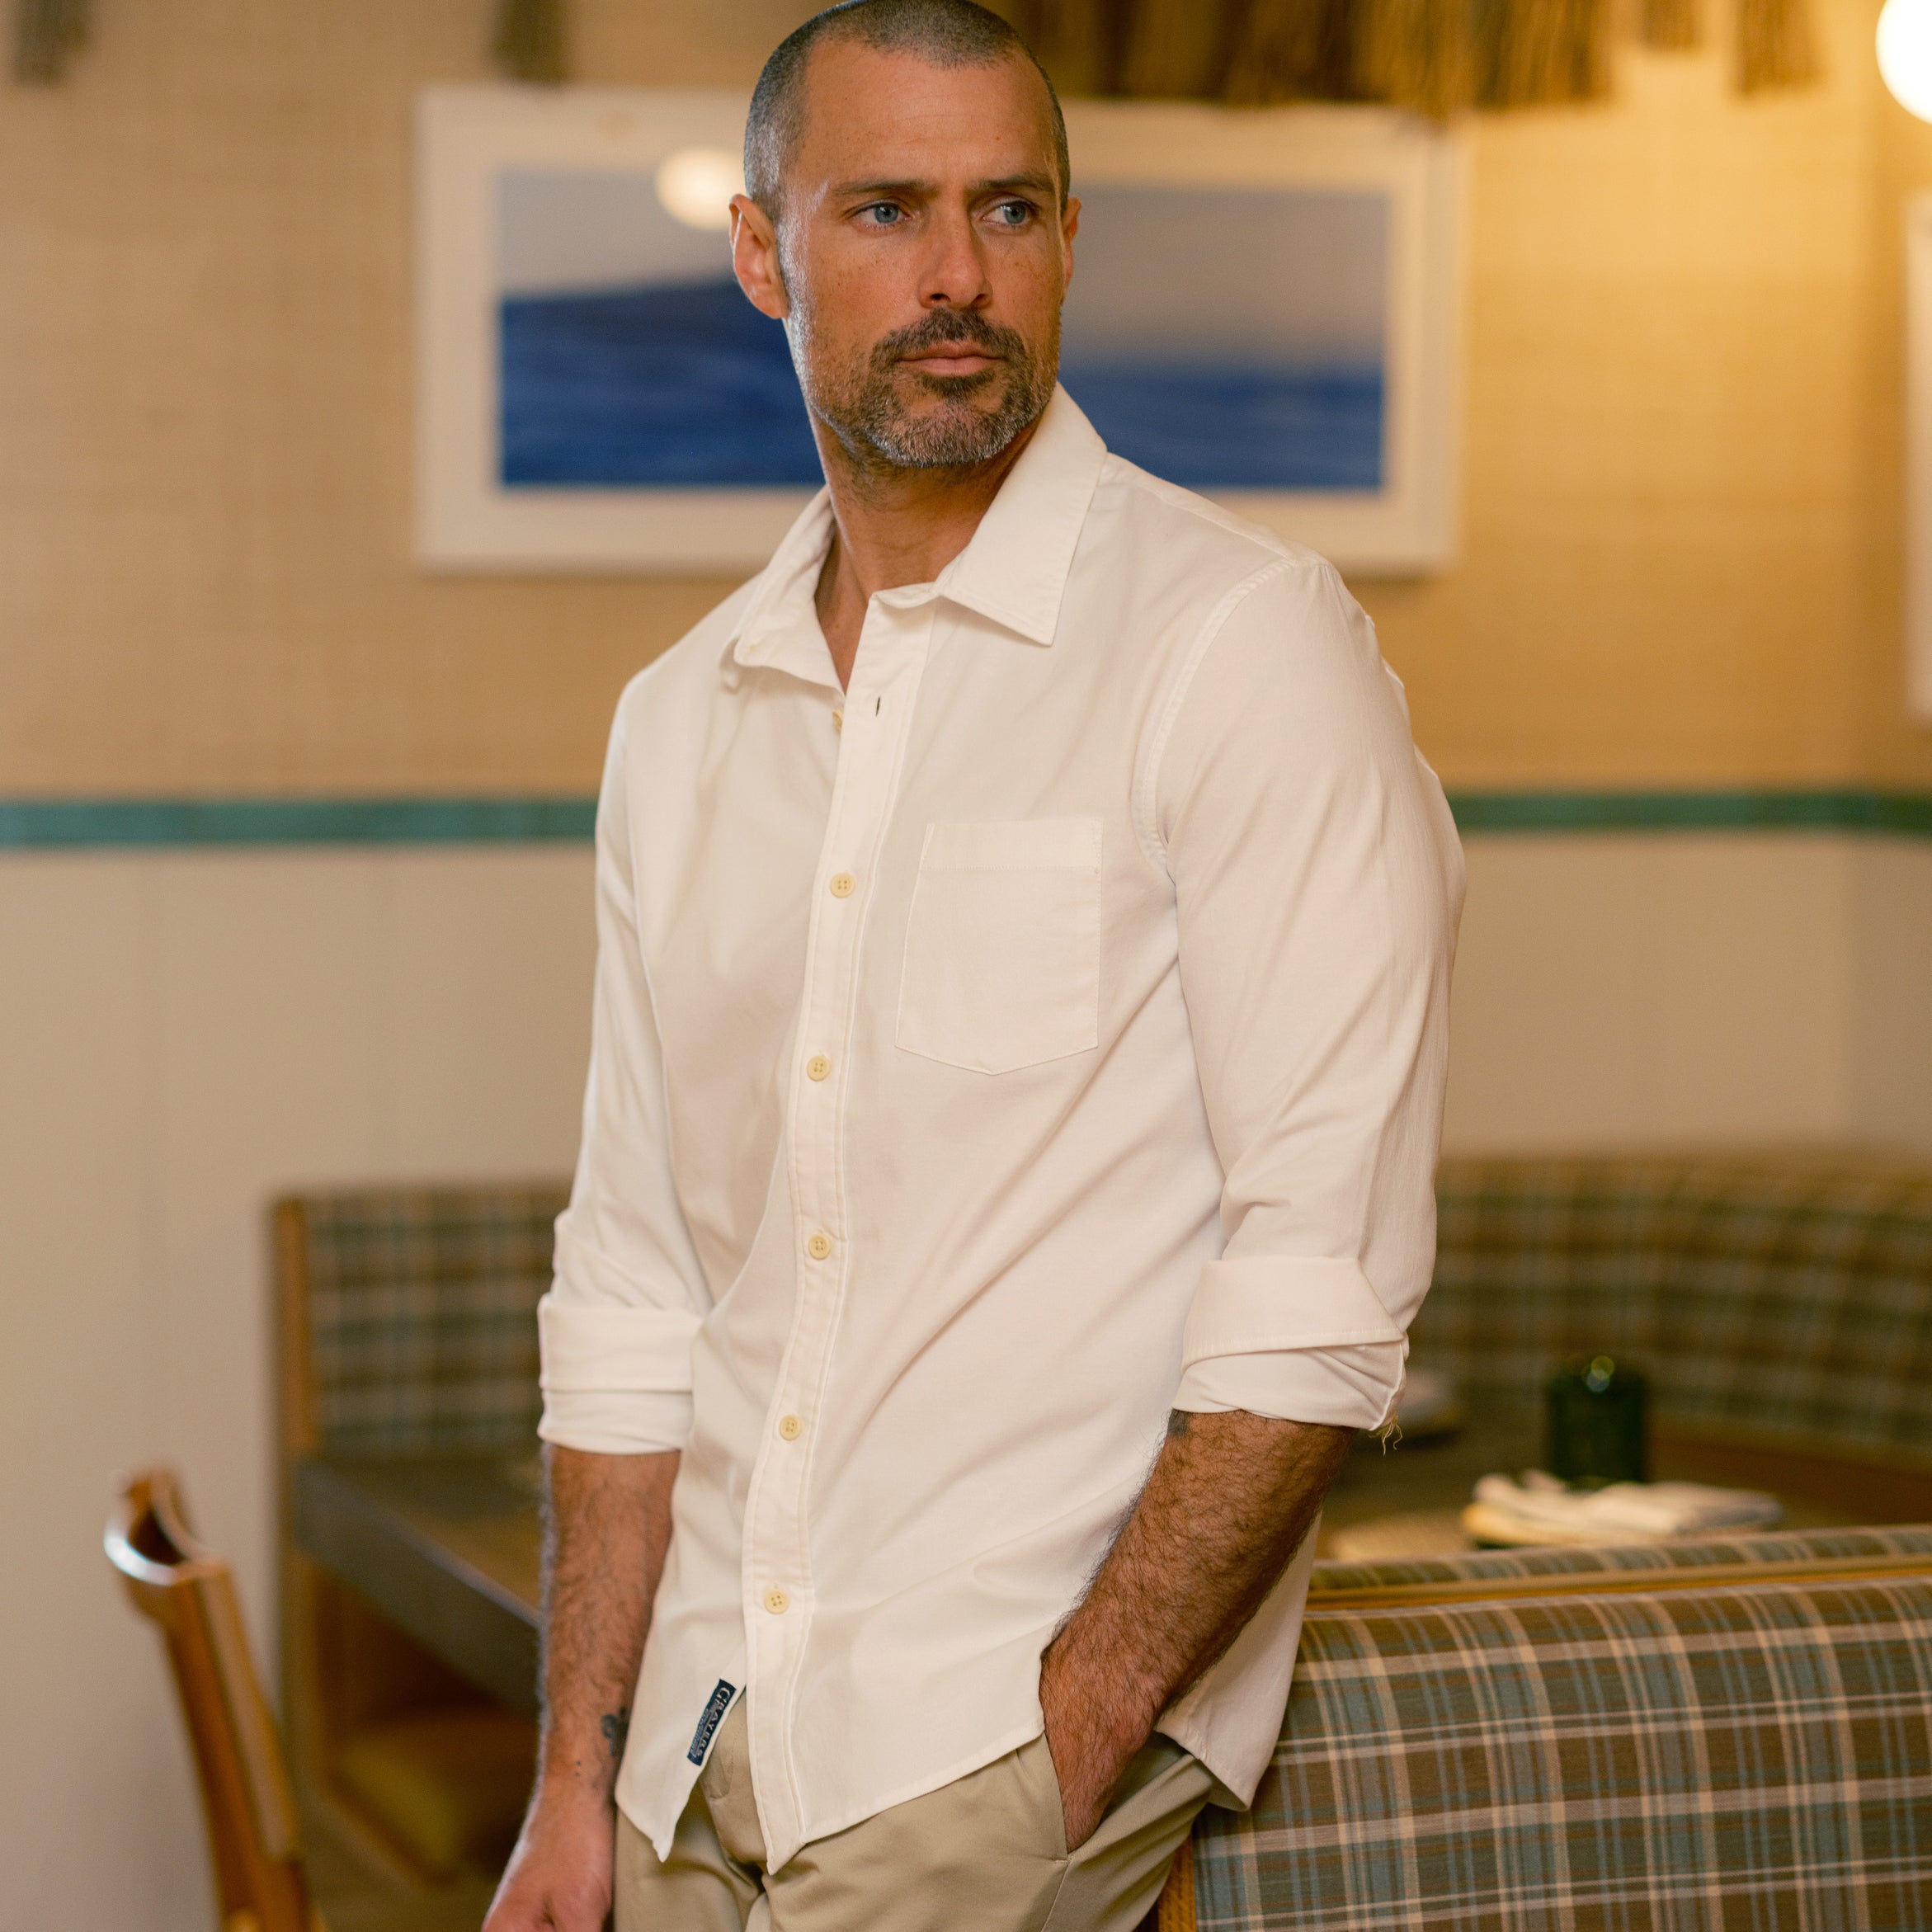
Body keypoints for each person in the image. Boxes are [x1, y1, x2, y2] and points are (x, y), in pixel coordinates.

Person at [486, 2, 1463, 1928]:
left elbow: (1322, 1272)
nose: (956, 273)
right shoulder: (680, 720)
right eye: (883, 211)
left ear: (1068, 241)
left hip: (984, 1750)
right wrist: (573, 1775)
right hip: (695, 1736)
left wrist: (1074, 1730)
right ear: (760, 250)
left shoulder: (1238, 646)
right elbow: (633, 1282)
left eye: (1007, 209)